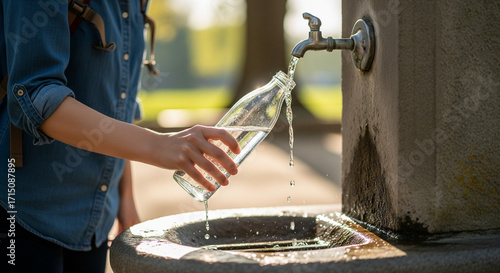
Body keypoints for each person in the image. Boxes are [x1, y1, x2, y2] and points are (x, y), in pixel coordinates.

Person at [0, 1, 240, 272]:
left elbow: (116, 102)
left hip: (95, 222)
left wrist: (124, 200)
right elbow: (32, 94)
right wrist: (158, 144)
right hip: (23, 210)